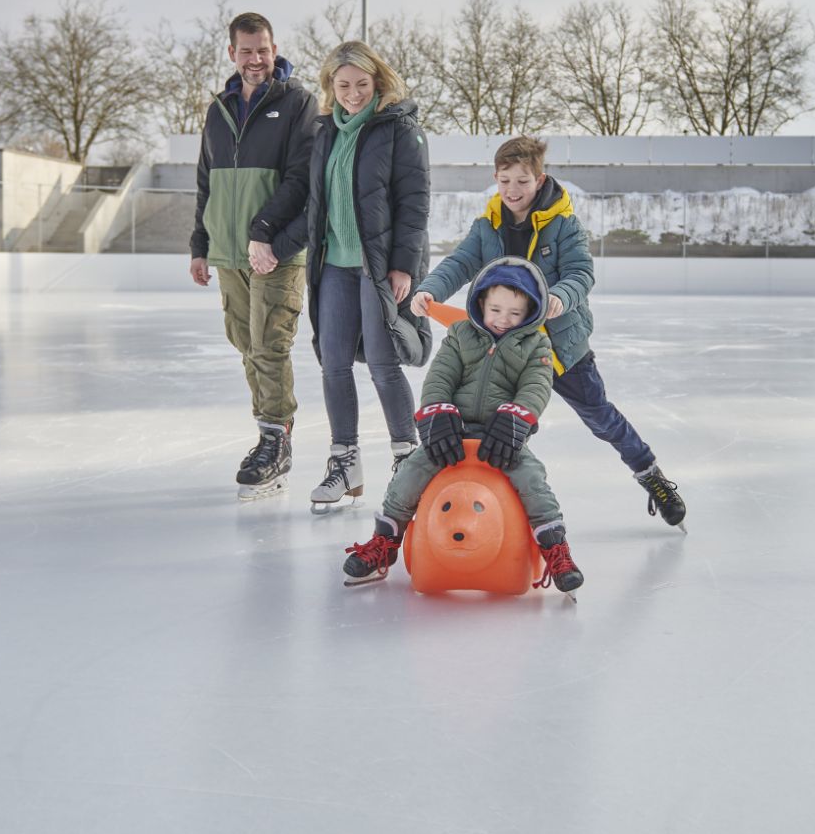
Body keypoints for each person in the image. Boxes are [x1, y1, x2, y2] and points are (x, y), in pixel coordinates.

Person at [410, 136, 688, 527]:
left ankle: (650, 474)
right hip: (507, 347)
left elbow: (580, 272)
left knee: (601, 418)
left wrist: (559, 296)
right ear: (495, 178)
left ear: (539, 180)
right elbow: (460, 262)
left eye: (522, 181)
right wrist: (430, 290)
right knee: (498, 432)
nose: (512, 190)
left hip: (560, 347)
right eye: (505, 181)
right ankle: (489, 511)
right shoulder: (487, 224)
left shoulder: (563, 224)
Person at [342, 258, 584, 593]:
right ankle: (385, 542)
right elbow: (440, 376)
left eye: (515, 314)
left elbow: (536, 386)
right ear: (481, 302)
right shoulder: (460, 335)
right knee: (411, 470)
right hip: (452, 433)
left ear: (530, 312)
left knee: (531, 477)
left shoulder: (537, 344)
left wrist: (517, 417)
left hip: (503, 437)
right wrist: (438, 414)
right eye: (496, 309)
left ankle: (555, 548)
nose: (503, 320)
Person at [281, 41, 433, 512]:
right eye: (342, 85)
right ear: (330, 86)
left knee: (385, 364)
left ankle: (408, 458)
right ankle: (345, 462)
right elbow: (314, 200)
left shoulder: (400, 129)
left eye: (361, 85)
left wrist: (404, 265)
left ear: (377, 83)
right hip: (334, 266)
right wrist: (270, 238)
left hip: (378, 265)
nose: (352, 94)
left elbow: (415, 202)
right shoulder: (325, 132)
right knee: (333, 363)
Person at [188, 12, 319, 499]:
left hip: (277, 249)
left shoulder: (297, 103)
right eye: (246, 51)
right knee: (245, 340)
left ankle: (274, 440)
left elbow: (300, 179)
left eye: (262, 49)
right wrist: (201, 245)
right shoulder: (218, 110)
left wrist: (264, 232)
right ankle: (270, 432)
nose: (256, 59)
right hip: (227, 251)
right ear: (232, 54)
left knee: (270, 342)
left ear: (274, 48)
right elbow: (207, 181)